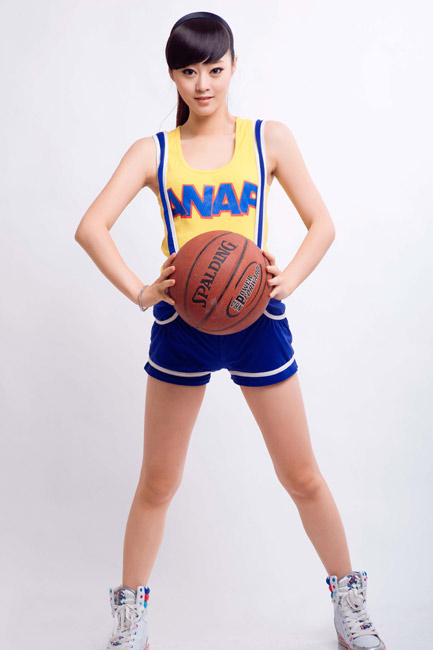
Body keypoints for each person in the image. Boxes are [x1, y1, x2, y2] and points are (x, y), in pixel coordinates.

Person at [75, 11, 386, 650]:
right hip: (181, 325)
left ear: (234, 66)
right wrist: (142, 290)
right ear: (173, 76)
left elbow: (322, 223)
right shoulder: (154, 152)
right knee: (158, 482)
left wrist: (287, 279)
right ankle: (130, 618)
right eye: (189, 72)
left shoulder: (269, 139)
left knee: (301, 475)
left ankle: (348, 601)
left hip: (256, 321)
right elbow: (90, 227)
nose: (203, 84)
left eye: (215, 69)